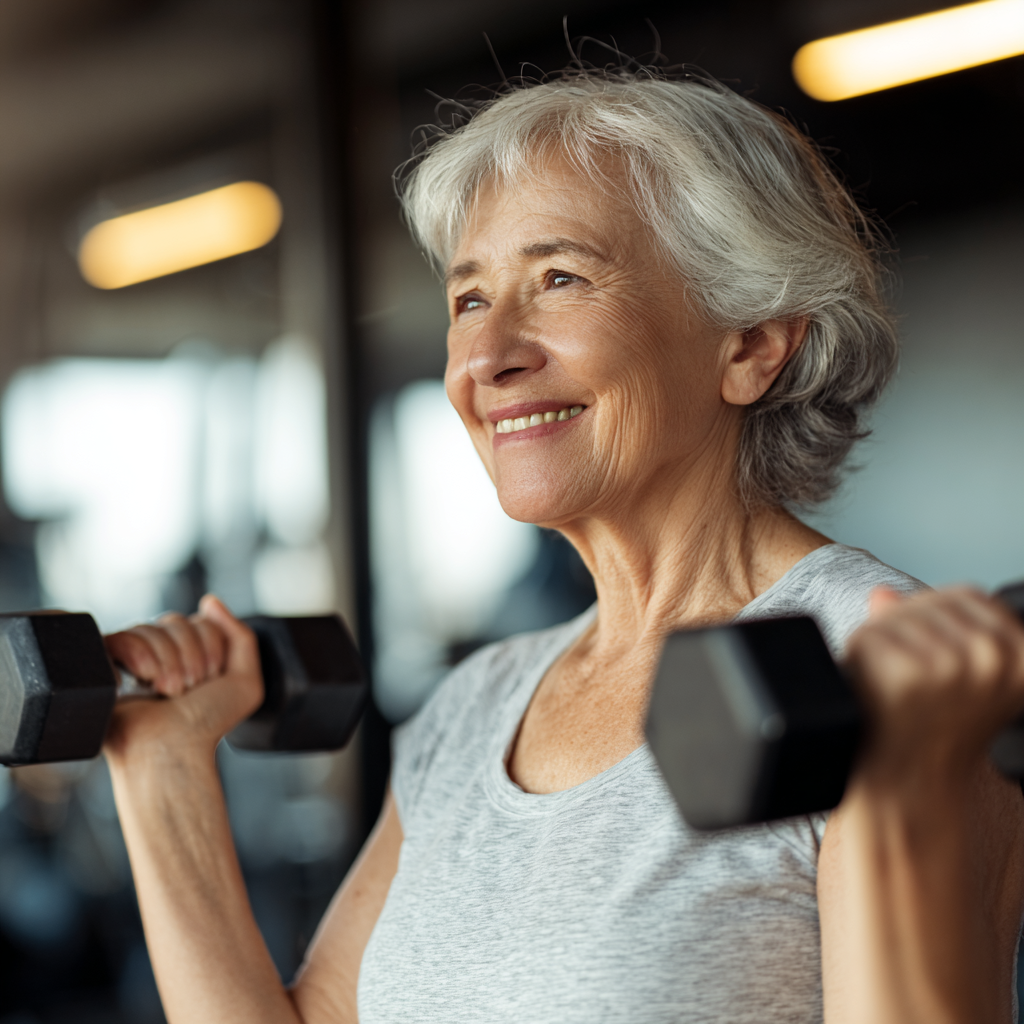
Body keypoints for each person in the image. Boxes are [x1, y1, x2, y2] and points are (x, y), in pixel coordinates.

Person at [102, 68, 1024, 1024]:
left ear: (751, 343)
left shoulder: (897, 685)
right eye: (468, 300)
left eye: (560, 279)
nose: (488, 356)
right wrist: (164, 770)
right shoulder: (473, 712)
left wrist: (912, 781)